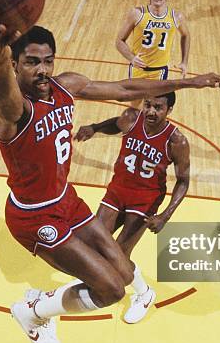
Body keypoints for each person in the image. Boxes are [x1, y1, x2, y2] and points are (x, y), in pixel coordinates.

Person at [0, 17, 220, 343]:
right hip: (34, 217)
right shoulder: (13, 113)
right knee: (110, 291)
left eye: (47, 61)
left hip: (66, 200)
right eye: (31, 62)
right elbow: (4, 101)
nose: (42, 70)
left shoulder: (66, 85)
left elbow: (126, 89)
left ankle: (51, 302)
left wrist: (192, 83)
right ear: (15, 65)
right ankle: (32, 313)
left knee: (122, 269)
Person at [75, 92, 190, 323]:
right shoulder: (131, 117)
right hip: (118, 189)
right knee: (95, 242)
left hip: (145, 199)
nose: (151, 111)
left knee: (120, 254)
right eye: (148, 105)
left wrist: (165, 215)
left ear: (169, 110)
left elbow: (183, 180)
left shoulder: (176, 141)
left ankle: (144, 293)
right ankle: (99, 281)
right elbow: (114, 125)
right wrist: (94, 128)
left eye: (158, 107)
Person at [116, 0, 190, 107]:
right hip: (138, 69)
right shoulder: (137, 13)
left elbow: (186, 35)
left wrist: (184, 62)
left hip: (159, 71)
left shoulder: (176, 17)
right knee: (134, 108)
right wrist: (131, 58)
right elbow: (119, 41)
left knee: (154, 109)